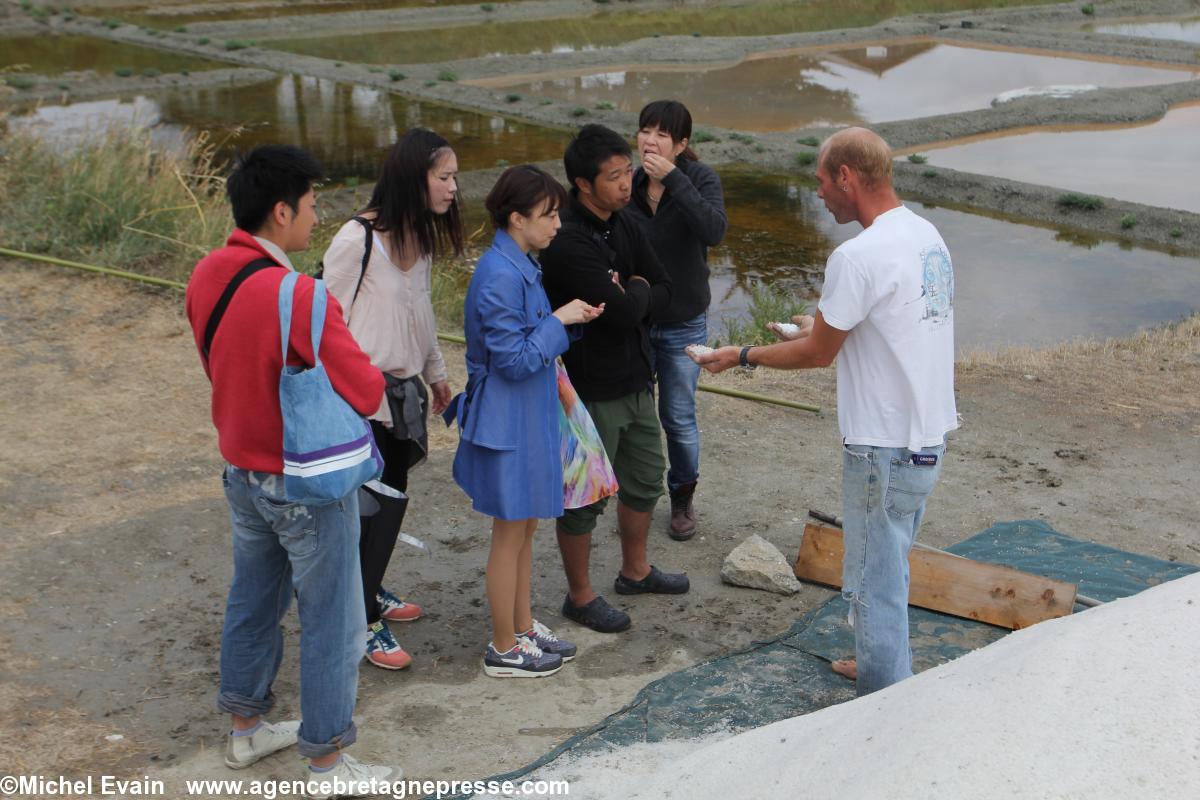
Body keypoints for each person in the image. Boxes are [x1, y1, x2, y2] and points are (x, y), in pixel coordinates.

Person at [692, 127, 957, 696]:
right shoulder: (925, 235)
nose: (818, 194)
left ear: (846, 177)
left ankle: (884, 699)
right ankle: (879, 660)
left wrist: (740, 355)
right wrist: (814, 328)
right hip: (926, 439)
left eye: (820, 182)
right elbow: (878, 328)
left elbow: (818, 352)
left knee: (872, 579)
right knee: (890, 567)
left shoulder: (857, 254)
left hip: (880, 447)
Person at [184, 144, 396, 795]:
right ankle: (327, 762)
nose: (315, 218)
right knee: (332, 620)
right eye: (310, 206)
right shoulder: (298, 296)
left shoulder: (206, 276)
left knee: (254, 599)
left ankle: (246, 728)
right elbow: (364, 389)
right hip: (303, 484)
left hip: (241, 474)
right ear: (281, 211)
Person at [449, 165, 605, 677]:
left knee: (526, 527)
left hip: (527, 416)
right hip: (506, 422)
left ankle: (520, 626)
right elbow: (513, 360)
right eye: (548, 214)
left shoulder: (518, 264)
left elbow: (527, 344)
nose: (557, 224)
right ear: (516, 218)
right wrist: (559, 321)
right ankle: (503, 647)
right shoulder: (498, 273)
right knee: (509, 533)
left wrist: (568, 319)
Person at [321, 128, 463, 671]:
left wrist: (437, 374)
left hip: (404, 397)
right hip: (358, 402)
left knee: (391, 501)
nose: (453, 188)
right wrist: (351, 389)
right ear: (413, 178)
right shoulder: (356, 241)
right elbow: (323, 325)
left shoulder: (420, 240)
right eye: (443, 177)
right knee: (364, 511)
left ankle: (369, 587)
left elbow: (420, 316)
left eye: (453, 177)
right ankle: (361, 622)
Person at [541, 124, 690, 634]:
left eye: (628, 172)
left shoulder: (624, 222)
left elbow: (661, 289)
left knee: (646, 475)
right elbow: (625, 312)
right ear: (583, 184)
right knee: (585, 494)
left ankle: (635, 570)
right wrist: (633, 296)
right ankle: (580, 596)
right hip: (588, 388)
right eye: (613, 177)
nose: (627, 184)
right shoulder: (566, 241)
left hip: (635, 375)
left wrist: (631, 291)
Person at [627, 99, 727, 541]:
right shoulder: (627, 184)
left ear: (682, 144)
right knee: (632, 414)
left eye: (661, 134)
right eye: (645, 131)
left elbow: (715, 231)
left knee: (678, 417)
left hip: (684, 321)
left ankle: (682, 498)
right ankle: (637, 499)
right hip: (636, 322)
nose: (649, 141)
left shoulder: (700, 178)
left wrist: (675, 180)